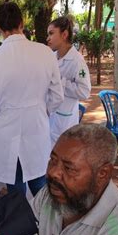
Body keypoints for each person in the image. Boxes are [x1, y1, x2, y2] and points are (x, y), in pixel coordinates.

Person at [0, 2, 64, 197]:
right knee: (41, 184)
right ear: (22, 23)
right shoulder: (45, 53)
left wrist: (3, 115)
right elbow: (57, 96)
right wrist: (41, 109)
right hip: (37, 128)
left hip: (6, 132)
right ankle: (47, 225)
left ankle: (21, 225)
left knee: (15, 189)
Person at [47, 16, 91, 145]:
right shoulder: (51, 57)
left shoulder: (77, 61)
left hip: (64, 123)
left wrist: (61, 82)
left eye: (51, 33)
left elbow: (84, 92)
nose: (47, 38)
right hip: (50, 119)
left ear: (64, 34)